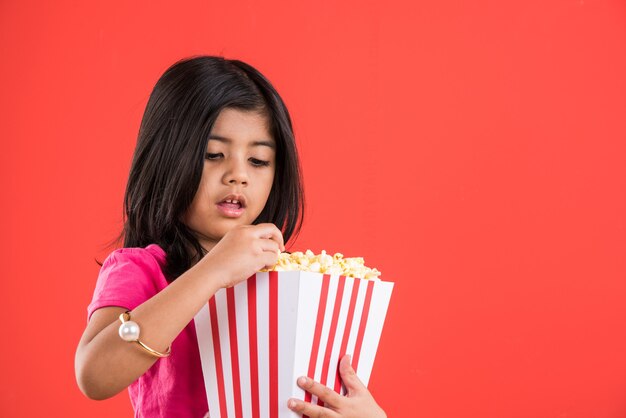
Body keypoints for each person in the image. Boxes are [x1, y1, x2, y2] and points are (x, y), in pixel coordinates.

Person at [74, 56, 387, 418]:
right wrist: (213, 272)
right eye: (213, 154)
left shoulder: (286, 280)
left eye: (257, 161)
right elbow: (93, 376)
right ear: (167, 158)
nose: (238, 175)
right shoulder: (141, 269)